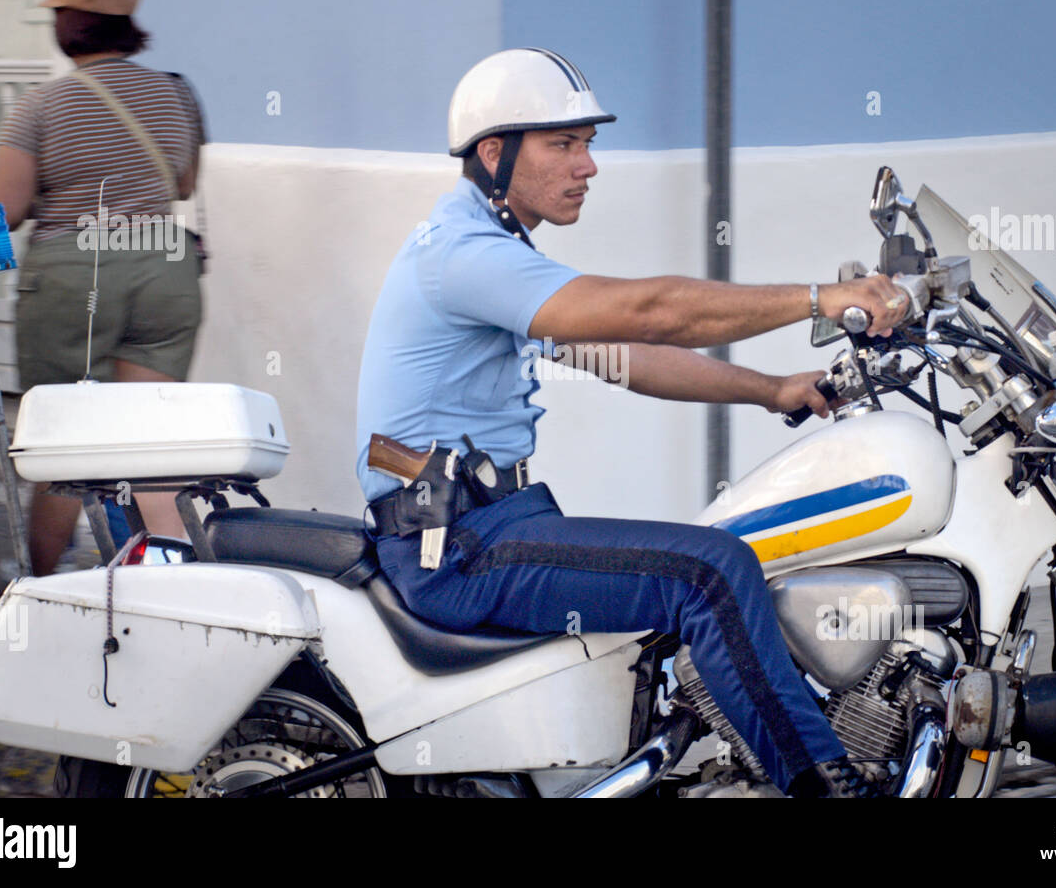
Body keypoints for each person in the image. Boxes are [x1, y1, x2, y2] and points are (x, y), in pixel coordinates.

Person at [356, 48, 911, 797]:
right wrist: (821, 297)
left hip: (495, 526)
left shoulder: (490, 250)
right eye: (563, 144)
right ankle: (824, 784)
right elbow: (655, 312)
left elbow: (625, 353)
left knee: (716, 561)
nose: (588, 165)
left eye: (588, 144)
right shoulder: (462, 255)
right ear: (494, 153)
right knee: (713, 573)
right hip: (457, 550)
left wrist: (769, 388)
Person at [0, 0, 206, 575]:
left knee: (65, 445)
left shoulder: (39, 107)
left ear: (66, 23)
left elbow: (6, 211)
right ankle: (172, 583)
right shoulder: (176, 94)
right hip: (164, 271)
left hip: (75, 277)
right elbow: (185, 183)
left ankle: (36, 588)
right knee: (147, 443)